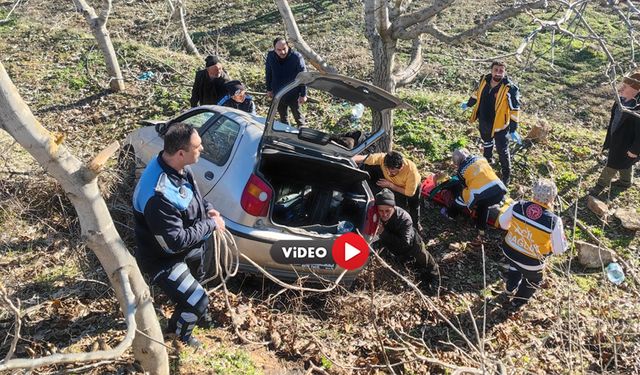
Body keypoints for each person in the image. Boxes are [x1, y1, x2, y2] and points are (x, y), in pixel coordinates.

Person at [132, 122, 226, 347]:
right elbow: (174, 243)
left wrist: (208, 208)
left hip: (189, 249)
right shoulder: (158, 195)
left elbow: (194, 197)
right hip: (164, 260)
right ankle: (179, 335)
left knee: (198, 282)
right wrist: (211, 224)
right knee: (197, 300)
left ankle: (197, 313)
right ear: (182, 152)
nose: (202, 149)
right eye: (198, 146)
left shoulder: (177, 165)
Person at [498, 178, 567, 308]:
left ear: (533, 193)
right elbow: (559, 249)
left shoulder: (518, 205)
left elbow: (503, 223)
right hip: (531, 262)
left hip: (509, 250)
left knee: (515, 264)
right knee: (534, 280)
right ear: (552, 198)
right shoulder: (554, 221)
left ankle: (509, 287)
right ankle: (517, 301)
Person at [461, 61, 521, 185]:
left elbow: (514, 109)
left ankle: (506, 175)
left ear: (504, 72)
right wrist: (468, 104)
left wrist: (513, 129)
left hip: (500, 124)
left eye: (501, 71)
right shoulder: (484, 80)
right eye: (496, 70)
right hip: (484, 119)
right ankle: (487, 163)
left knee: (502, 150)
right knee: (487, 142)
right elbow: (476, 94)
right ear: (491, 70)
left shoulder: (510, 88)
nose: (498, 73)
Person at [372, 189, 439, 284]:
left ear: (393, 207)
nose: (384, 214)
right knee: (408, 263)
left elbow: (404, 243)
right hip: (394, 246)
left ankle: (435, 278)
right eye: (381, 211)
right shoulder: (376, 214)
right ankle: (416, 273)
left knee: (425, 259)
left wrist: (383, 233)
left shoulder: (404, 219)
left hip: (413, 244)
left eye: (387, 210)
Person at [444, 148, 507, 247]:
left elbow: (465, 185)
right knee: (483, 205)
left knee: (462, 198)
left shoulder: (461, 171)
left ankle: (451, 214)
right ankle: (481, 229)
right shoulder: (481, 158)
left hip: (483, 194)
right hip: (500, 191)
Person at [590, 72, 640, 195]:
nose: (621, 88)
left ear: (636, 90)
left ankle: (600, 185)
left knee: (612, 163)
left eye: (625, 87)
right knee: (626, 162)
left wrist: (635, 149)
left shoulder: (638, 109)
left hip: (627, 143)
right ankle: (625, 181)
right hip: (616, 138)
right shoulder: (620, 100)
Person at [352, 151, 422, 231]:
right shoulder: (383, 158)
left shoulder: (411, 171)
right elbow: (366, 158)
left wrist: (390, 185)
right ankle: (399, 224)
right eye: (387, 169)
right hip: (394, 185)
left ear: (401, 167)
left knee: (414, 207)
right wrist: (350, 159)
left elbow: (409, 193)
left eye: (393, 171)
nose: (389, 173)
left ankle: (416, 225)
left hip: (411, 188)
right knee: (399, 206)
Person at [265, 37, 307, 126]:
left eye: (284, 49)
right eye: (279, 50)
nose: (282, 52)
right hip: (278, 93)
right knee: (283, 119)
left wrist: (303, 94)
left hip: (293, 93)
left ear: (288, 46)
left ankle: (302, 134)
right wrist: (269, 89)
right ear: (274, 49)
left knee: (299, 120)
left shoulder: (297, 57)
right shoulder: (270, 56)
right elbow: (268, 73)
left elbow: (304, 76)